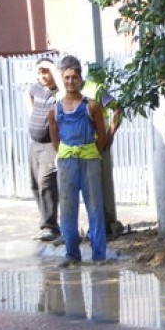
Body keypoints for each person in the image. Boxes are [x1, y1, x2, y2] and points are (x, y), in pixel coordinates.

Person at [47, 55, 108, 266]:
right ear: (62, 79)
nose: (71, 81)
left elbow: (102, 135)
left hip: (90, 161)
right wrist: (66, 153)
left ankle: (99, 255)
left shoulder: (92, 106)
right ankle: (72, 254)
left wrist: (90, 151)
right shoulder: (55, 110)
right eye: (67, 77)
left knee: (95, 208)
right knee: (67, 209)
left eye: (74, 77)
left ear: (81, 78)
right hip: (66, 163)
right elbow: (55, 139)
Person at [81, 67, 125, 239]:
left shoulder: (96, 90)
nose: (70, 81)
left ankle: (101, 228)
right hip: (77, 148)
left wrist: (110, 134)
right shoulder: (64, 93)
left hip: (98, 146)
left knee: (98, 188)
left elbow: (118, 108)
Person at [25, 57, 62, 242]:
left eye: (45, 72)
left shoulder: (60, 92)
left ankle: (49, 227)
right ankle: (47, 222)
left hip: (50, 145)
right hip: (35, 144)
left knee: (46, 183)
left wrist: (52, 68)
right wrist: (31, 113)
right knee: (35, 185)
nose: (42, 76)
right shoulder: (36, 89)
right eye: (39, 72)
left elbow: (63, 89)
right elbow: (27, 93)